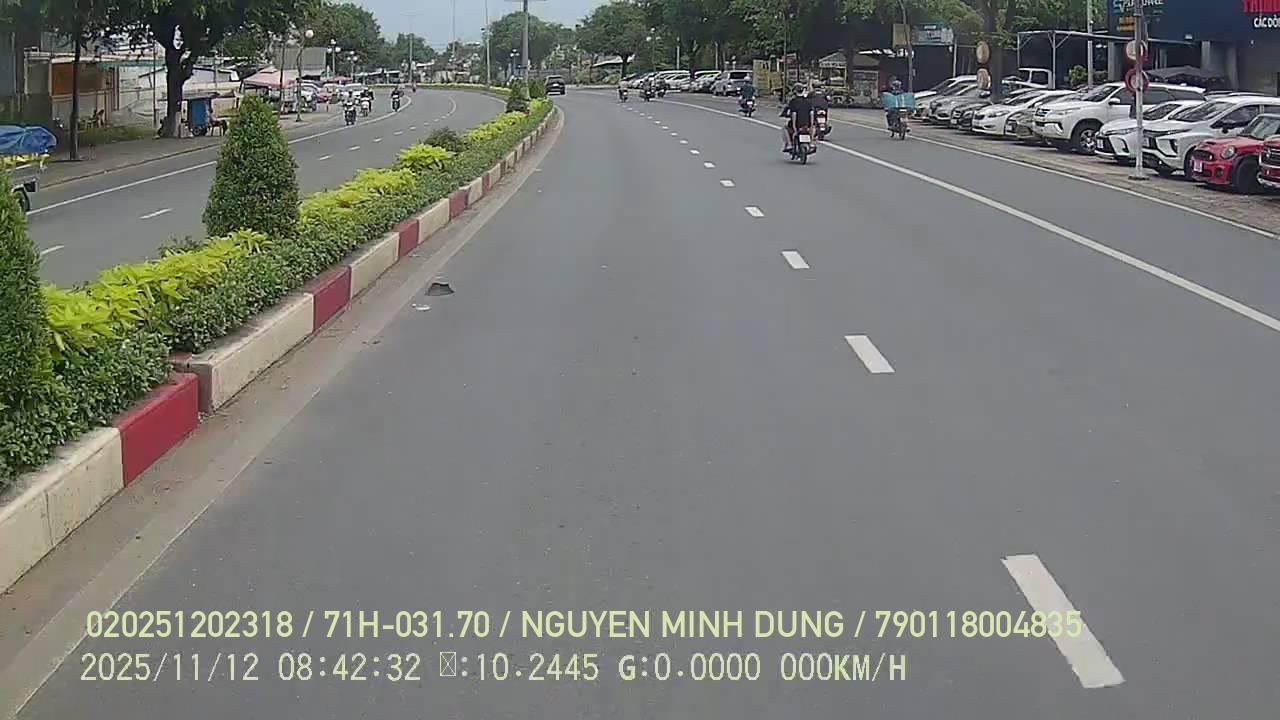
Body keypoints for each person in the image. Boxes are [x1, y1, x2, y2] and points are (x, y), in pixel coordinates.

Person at [780, 83, 815, 152]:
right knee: (813, 128)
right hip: (807, 125)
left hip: (797, 125)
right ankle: (812, 142)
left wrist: (794, 127)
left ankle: (789, 144)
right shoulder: (809, 102)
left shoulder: (793, 102)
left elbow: (794, 114)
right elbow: (812, 114)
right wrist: (811, 125)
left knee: (785, 129)